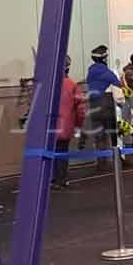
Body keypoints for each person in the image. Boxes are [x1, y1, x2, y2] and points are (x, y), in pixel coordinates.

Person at [53, 55, 87, 189]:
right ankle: (60, 180)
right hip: (65, 127)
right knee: (62, 153)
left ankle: (52, 178)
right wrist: (79, 125)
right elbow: (81, 109)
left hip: (48, 128)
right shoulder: (72, 85)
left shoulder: (48, 85)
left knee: (51, 153)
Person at [86, 45, 122, 167]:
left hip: (92, 105)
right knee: (112, 133)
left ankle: (101, 163)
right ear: (104, 58)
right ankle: (116, 161)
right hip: (105, 104)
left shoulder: (90, 71)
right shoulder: (106, 72)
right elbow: (117, 83)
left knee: (98, 134)